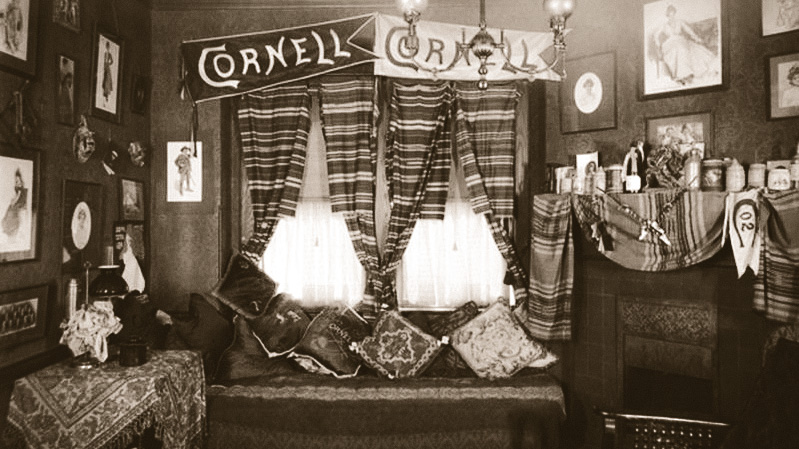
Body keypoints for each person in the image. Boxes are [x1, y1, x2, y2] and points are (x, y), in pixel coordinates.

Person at [653, 4, 717, 86]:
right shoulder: (664, 25)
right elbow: (655, 35)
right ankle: (680, 76)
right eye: (669, 15)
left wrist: (696, 38)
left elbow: (689, 31)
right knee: (676, 50)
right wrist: (658, 44)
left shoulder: (679, 22)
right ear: (667, 16)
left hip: (680, 40)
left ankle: (687, 75)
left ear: (675, 14)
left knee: (685, 49)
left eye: (673, 15)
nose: (671, 17)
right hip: (669, 43)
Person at [2, 169, 28, 239]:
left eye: (19, 181)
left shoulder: (24, 191)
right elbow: (13, 202)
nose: (18, 183)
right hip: (14, 208)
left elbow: (22, 203)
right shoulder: (17, 189)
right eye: (16, 181)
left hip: (19, 208)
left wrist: (18, 195)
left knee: (11, 213)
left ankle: (12, 231)